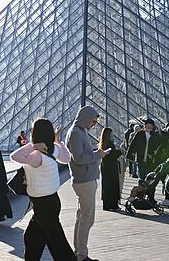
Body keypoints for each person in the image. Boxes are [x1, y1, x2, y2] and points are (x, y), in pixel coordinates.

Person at [10, 118, 74, 261]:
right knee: (32, 239)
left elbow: (14, 156)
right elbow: (67, 158)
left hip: (43, 205)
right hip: (50, 202)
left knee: (58, 245)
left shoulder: (37, 156)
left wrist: (33, 146)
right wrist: (57, 141)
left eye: (33, 130)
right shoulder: (53, 149)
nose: (31, 132)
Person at [67, 105, 106, 261]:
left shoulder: (80, 131)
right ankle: (82, 255)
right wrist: (97, 155)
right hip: (84, 181)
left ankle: (79, 252)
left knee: (82, 217)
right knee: (87, 218)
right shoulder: (76, 133)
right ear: (85, 118)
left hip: (85, 179)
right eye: (93, 120)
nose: (95, 124)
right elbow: (79, 158)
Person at [99, 127, 123, 211]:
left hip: (106, 167)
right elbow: (113, 156)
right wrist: (119, 151)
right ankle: (113, 205)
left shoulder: (103, 143)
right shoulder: (109, 144)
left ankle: (107, 204)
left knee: (106, 186)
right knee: (113, 185)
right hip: (111, 167)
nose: (112, 135)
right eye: (111, 134)